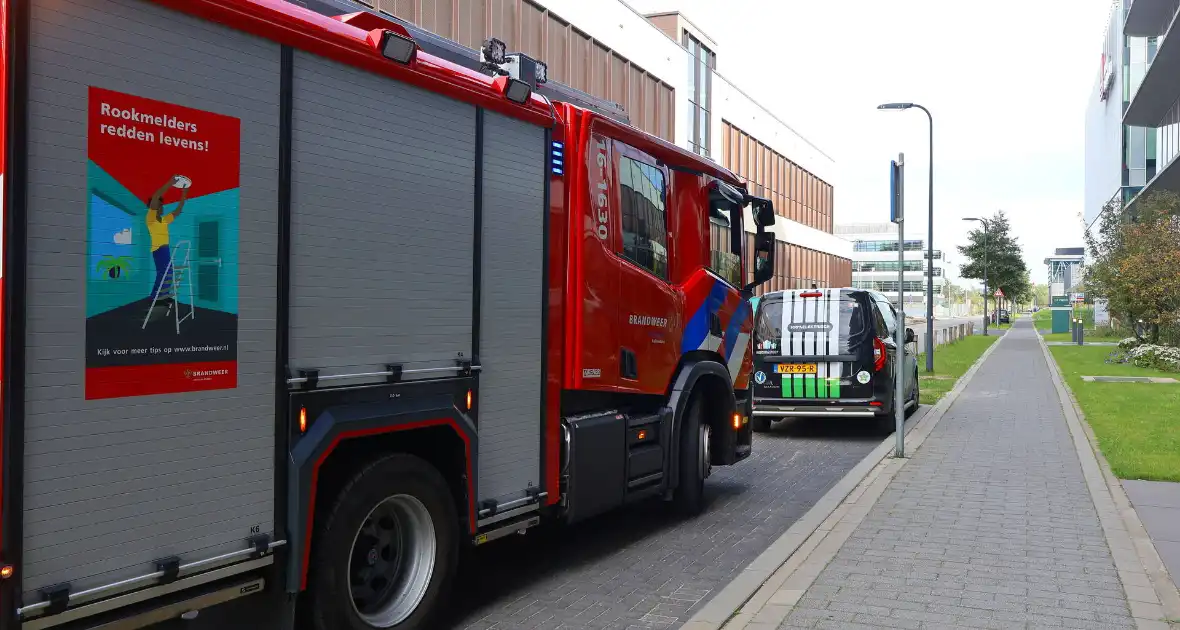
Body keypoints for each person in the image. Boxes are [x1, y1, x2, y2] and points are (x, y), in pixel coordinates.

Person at [146, 175, 187, 302]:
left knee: (167, 273)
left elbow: (178, 211)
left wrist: (184, 193)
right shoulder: (150, 218)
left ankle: (160, 296)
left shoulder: (163, 220)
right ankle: (156, 297)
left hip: (165, 249)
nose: (163, 206)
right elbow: (156, 196)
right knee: (164, 273)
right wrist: (170, 183)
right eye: (161, 204)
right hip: (158, 249)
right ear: (155, 206)